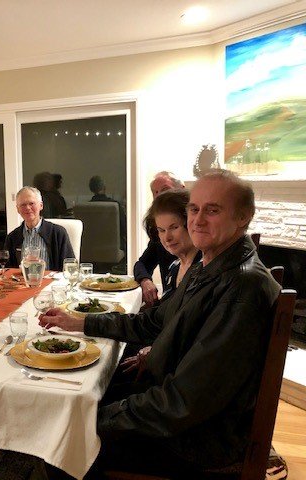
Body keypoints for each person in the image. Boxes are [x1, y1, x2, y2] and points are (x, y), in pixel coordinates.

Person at [40, 170, 280, 477]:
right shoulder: (208, 266)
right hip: (175, 405)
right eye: (194, 209)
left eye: (213, 210)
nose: (198, 220)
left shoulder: (242, 289)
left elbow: (184, 402)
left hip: (198, 439)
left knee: (61, 444)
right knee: (77, 396)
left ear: (243, 217)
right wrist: (82, 322)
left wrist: (92, 420)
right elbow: (150, 323)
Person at [119, 189, 201, 378]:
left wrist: (154, 350)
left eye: (174, 228)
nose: (167, 238)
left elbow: (189, 334)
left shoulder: (202, 271)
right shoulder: (176, 266)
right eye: (161, 230)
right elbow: (161, 321)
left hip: (176, 369)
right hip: (163, 347)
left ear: (192, 224)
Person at [133, 171, 185, 307]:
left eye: (164, 189)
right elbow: (141, 264)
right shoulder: (159, 237)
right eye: (155, 192)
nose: (159, 196)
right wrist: (145, 280)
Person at [3, 186, 75, 271]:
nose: (27, 208)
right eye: (23, 205)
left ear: (41, 205)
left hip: (52, 279)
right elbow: (8, 270)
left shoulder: (58, 234)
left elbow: (70, 267)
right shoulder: (12, 237)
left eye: (31, 203)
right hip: (21, 279)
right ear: (18, 209)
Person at [89, 175, 127, 252]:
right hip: (114, 249)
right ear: (104, 187)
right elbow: (125, 229)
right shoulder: (115, 206)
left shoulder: (86, 208)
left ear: (91, 189)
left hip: (91, 250)